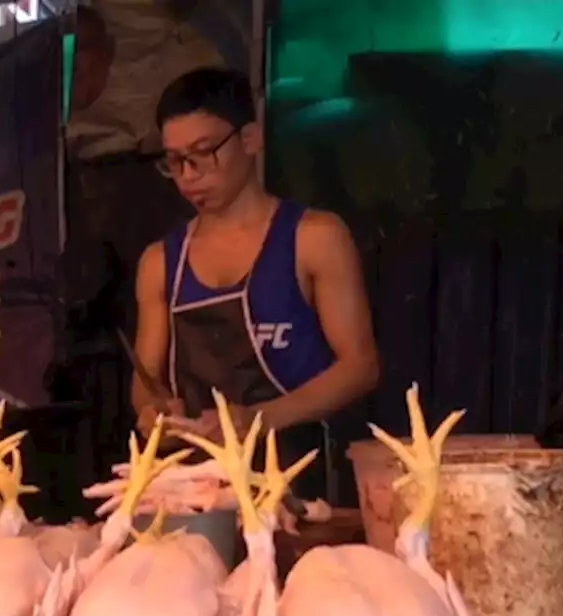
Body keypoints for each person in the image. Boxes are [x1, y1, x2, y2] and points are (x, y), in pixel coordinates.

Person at [132, 67, 380, 502]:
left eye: (203, 153)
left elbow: (360, 367)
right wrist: (152, 412)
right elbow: (145, 377)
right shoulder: (159, 262)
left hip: (302, 487)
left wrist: (258, 419)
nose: (189, 175)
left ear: (250, 139)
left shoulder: (315, 237)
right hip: (198, 497)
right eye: (174, 161)